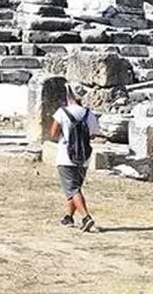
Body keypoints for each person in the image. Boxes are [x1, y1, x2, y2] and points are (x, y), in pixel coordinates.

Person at [49, 86, 101, 232]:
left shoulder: (62, 112)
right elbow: (94, 133)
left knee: (72, 189)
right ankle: (68, 217)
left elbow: (53, 133)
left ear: (68, 96)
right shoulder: (88, 114)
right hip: (84, 156)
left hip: (66, 155)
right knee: (75, 188)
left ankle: (86, 218)